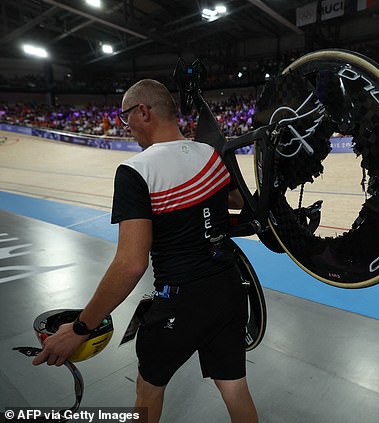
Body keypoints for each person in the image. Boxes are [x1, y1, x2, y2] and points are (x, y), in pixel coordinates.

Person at [32, 79, 258, 423]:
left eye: (126, 118)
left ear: (143, 111)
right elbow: (238, 202)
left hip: (179, 303)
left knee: (148, 389)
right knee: (234, 388)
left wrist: (80, 328)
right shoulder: (209, 154)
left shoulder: (136, 171)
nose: (127, 128)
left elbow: (130, 265)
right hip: (228, 289)